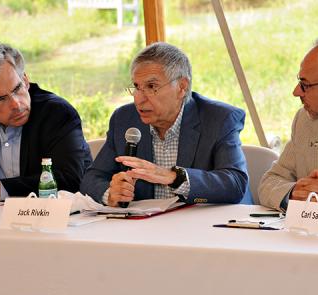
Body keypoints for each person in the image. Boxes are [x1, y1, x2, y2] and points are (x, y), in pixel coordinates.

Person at [80, 42, 249, 206]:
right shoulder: (124, 119)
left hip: (204, 228)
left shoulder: (219, 119)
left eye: (151, 86)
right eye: (137, 87)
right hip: (145, 229)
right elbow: (92, 178)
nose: (139, 98)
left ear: (182, 87)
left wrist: (174, 177)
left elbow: (234, 183)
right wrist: (111, 193)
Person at [0, 40, 92, 203]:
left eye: (17, 88)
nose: (16, 104)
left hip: (52, 220)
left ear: (25, 80)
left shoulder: (57, 113)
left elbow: (70, 179)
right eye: (0, 99)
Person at [259, 34, 318, 211]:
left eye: (305, 85)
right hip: (311, 234)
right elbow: (269, 182)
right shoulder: (305, 120)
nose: (296, 92)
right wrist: (294, 192)